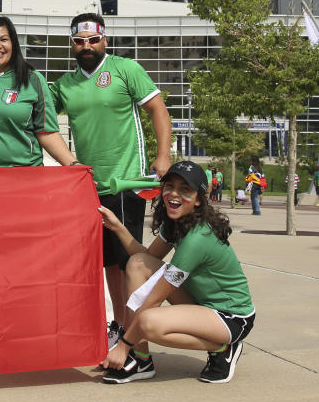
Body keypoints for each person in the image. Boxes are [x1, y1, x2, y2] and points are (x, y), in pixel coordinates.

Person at [50, 12, 171, 352]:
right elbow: (39, 116)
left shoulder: (125, 69)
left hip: (126, 181)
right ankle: (121, 325)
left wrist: (163, 157)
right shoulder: (65, 84)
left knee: (131, 262)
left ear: (105, 40)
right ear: (72, 44)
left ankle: (135, 337)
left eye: (93, 39)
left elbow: (158, 110)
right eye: (79, 41)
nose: (86, 46)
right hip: (89, 185)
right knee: (107, 263)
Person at [99, 160, 255, 385]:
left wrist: (123, 345)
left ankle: (223, 347)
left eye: (185, 190)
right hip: (202, 306)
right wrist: (117, 227)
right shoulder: (177, 223)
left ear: (199, 200)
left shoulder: (197, 239)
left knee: (149, 322)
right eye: (169, 186)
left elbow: (155, 298)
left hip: (231, 317)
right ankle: (140, 359)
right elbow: (146, 259)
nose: (174, 194)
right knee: (137, 263)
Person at [0, 15, 77, 169]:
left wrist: (74, 164)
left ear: (13, 44)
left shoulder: (32, 79)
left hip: (21, 176)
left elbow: (47, 132)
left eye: (4, 39)